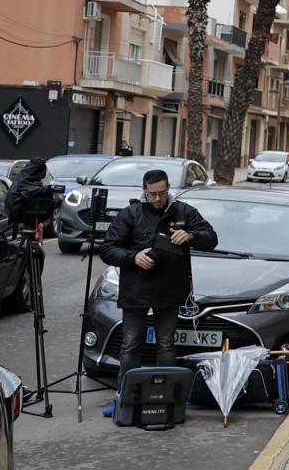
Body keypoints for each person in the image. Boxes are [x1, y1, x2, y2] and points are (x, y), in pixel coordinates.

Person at [99, 168, 217, 417]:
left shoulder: (184, 211)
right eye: (152, 194)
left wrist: (191, 235)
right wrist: (134, 257)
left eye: (161, 193)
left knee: (166, 344)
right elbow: (107, 249)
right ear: (144, 191)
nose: (156, 199)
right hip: (136, 289)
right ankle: (124, 397)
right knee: (131, 344)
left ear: (168, 189)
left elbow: (211, 238)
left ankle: (169, 397)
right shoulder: (130, 213)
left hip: (170, 288)